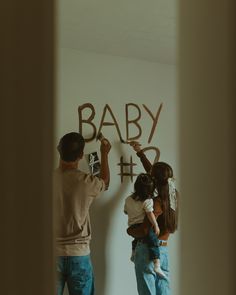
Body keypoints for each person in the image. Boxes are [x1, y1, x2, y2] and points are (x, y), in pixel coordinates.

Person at [54, 132, 111, 295]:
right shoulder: (87, 182)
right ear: (80, 156)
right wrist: (104, 154)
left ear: (59, 149)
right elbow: (105, 182)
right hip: (79, 255)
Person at [127, 141, 178, 295]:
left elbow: (144, 230)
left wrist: (129, 230)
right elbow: (153, 173)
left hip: (147, 250)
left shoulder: (156, 203)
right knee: (164, 291)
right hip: (163, 250)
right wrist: (140, 153)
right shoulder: (173, 195)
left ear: (154, 180)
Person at [124, 173, 168, 280]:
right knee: (153, 240)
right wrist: (156, 225)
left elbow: (125, 211)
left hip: (132, 226)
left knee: (137, 238)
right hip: (142, 227)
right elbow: (150, 214)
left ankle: (134, 253)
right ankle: (157, 264)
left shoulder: (128, 199)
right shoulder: (147, 201)